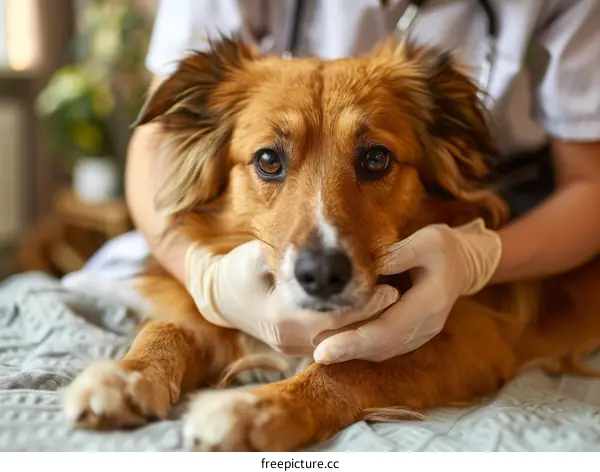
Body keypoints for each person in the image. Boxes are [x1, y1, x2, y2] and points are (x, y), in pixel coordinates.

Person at [124, 0, 600, 365]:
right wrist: (202, 277)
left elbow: (590, 183)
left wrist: (479, 258)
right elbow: (157, 137)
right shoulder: (222, 106)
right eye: (270, 161)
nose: (322, 243)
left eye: (374, 160)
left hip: (529, 203)